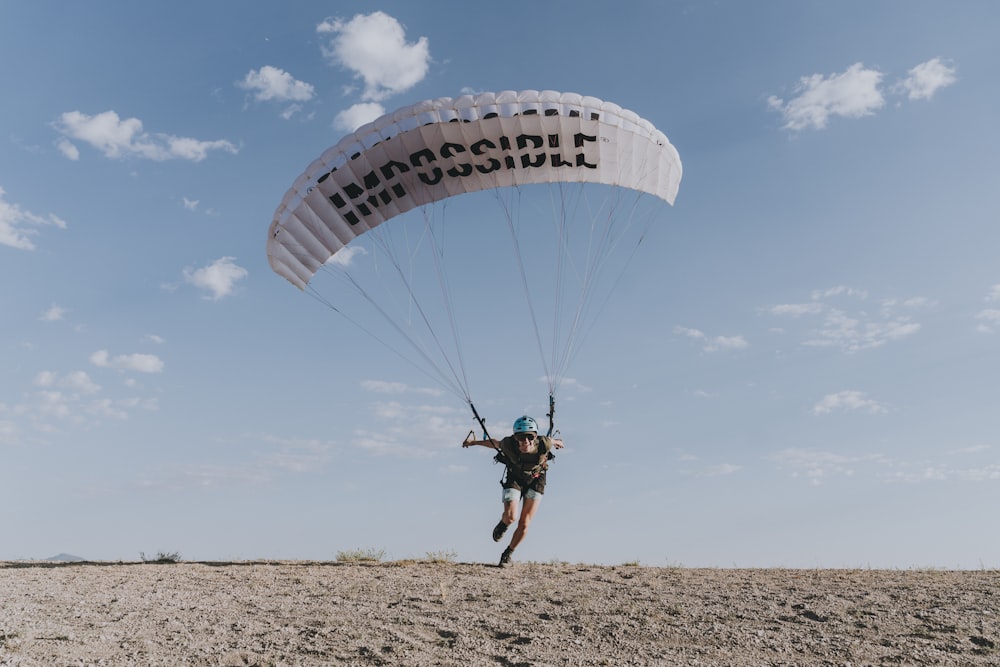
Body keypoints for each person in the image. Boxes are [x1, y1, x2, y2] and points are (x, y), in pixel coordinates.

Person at [462, 415, 564, 567]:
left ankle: (508, 553)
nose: (526, 441)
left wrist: (558, 442)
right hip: (515, 478)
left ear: (535, 436)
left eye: (530, 437)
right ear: (515, 437)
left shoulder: (544, 443)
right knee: (511, 517)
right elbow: (494, 443)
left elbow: (553, 441)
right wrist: (474, 442)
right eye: (521, 437)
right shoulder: (508, 444)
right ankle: (503, 524)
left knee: (524, 523)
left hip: (536, 479)